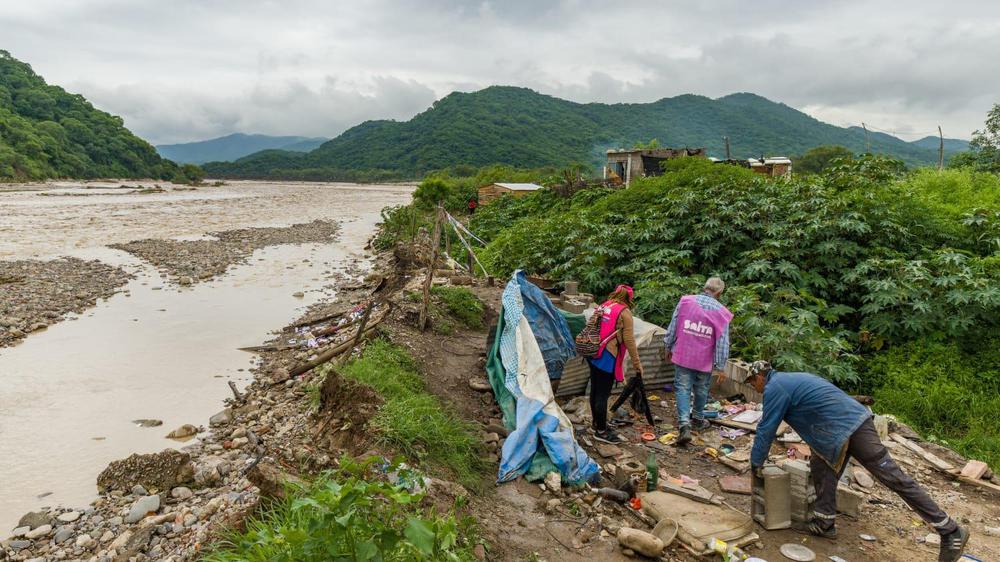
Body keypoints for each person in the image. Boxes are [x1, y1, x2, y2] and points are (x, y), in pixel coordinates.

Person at [744, 360, 970, 562]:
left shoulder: (775, 387)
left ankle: (950, 530)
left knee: (893, 477)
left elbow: (766, 428)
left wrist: (756, 463)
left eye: (752, 382)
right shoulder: (791, 379)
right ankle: (825, 522)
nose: (753, 387)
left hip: (850, 427)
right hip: (839, 428)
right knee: (821, 465)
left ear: (760, 376)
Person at [662, 277, 732, 445]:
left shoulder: (686, 301)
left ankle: (684, 425)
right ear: (720, 293)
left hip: (683, 354)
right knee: (701, 389)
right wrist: (721, 366)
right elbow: (722, 342)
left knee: (683, 389)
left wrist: (668, 346)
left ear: (705, 288)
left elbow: (673, 326)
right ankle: (698, 419)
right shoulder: (722, 312)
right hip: (704, 359)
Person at [588, 284, 644, 444]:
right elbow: (629, 341)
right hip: (607, 356)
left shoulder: (604, 305)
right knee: (602, 395)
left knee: (595, 390)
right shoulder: (624, 313)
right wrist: (637, 364)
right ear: (629, 298)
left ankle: (596, 425)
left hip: (593, 352)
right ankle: (601, 431)